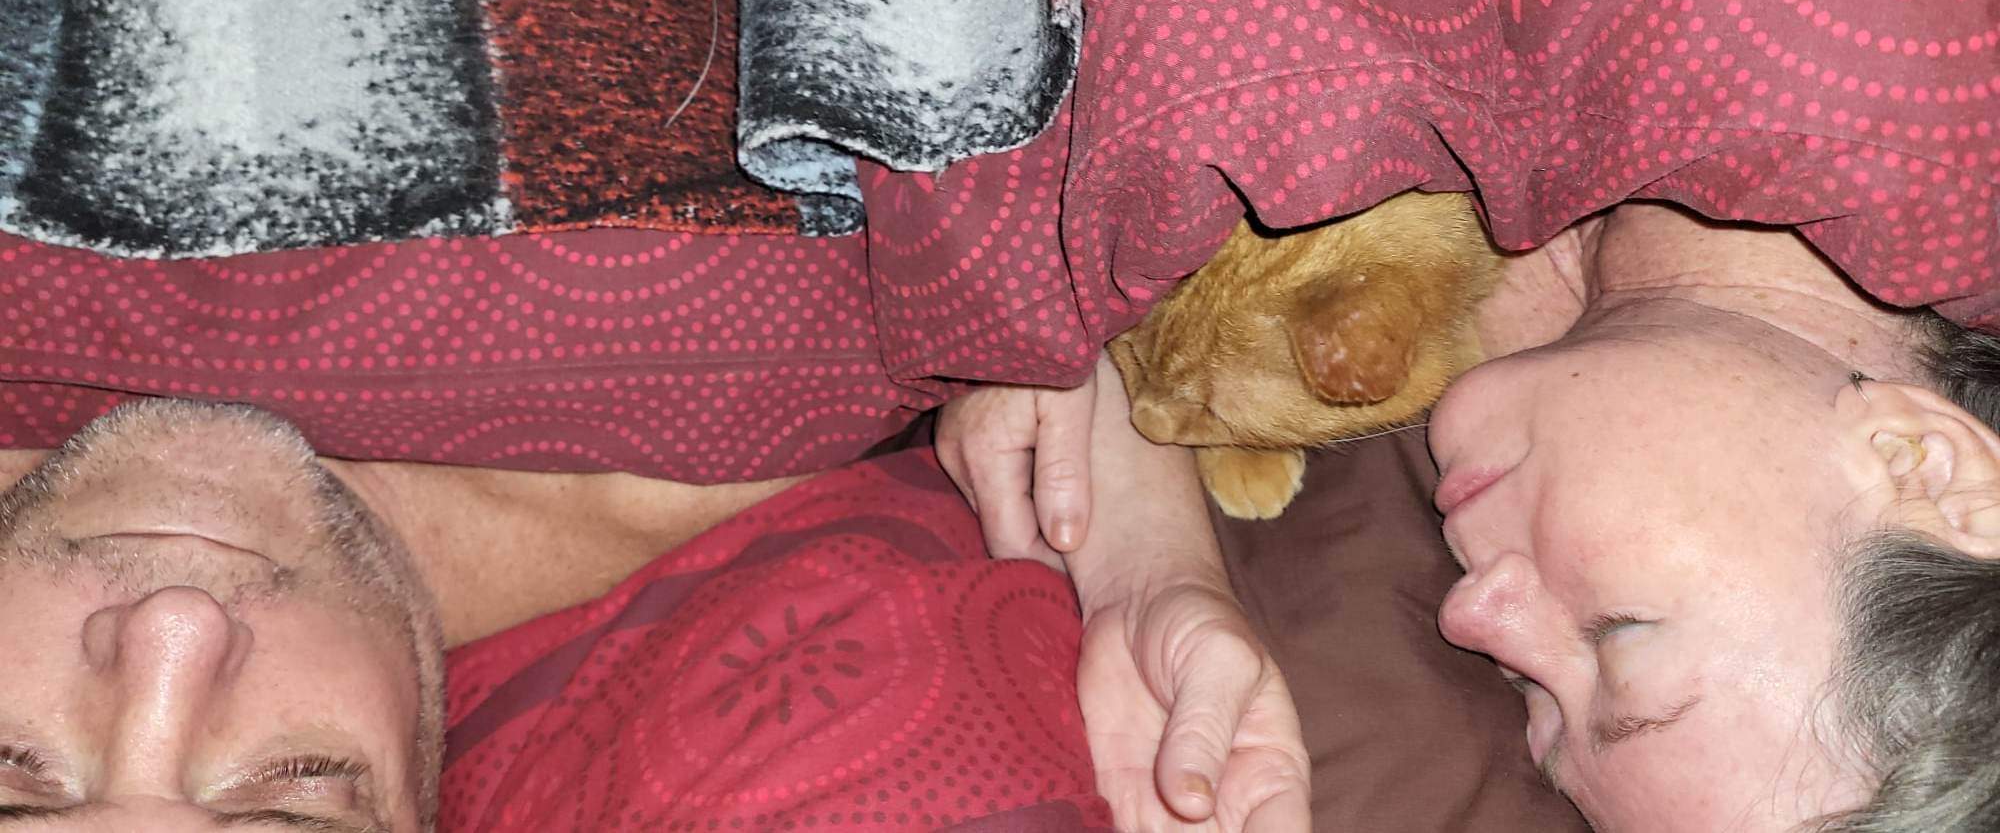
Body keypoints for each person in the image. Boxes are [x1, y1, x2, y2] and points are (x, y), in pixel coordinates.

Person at [940, 201, 2000, 832]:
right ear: (1922, 463)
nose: (1470, 617)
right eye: (1616, 636)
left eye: (1537, 703)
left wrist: (1151, 569)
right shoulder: (1852, 10)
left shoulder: (1537, 362)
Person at [0, 384, 1309, 830]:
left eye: (14, 775)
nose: (174, 626)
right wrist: (1132, 520)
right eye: (291, 798)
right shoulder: (749, 423)